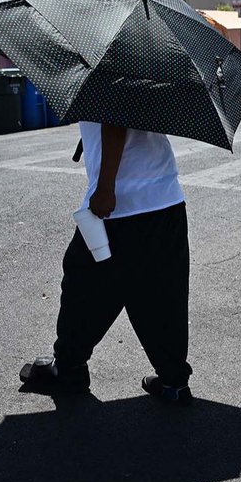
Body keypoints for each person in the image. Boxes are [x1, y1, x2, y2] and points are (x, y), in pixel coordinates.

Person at [20, 122, 193, 405]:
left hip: (122, 204)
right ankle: (174, 379)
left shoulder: (107, 80)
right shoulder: (149, 77)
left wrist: (105, 187)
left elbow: (115, 121)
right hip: (166, 197)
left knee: (83, 284)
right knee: (163, 293)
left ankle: (68, 368)